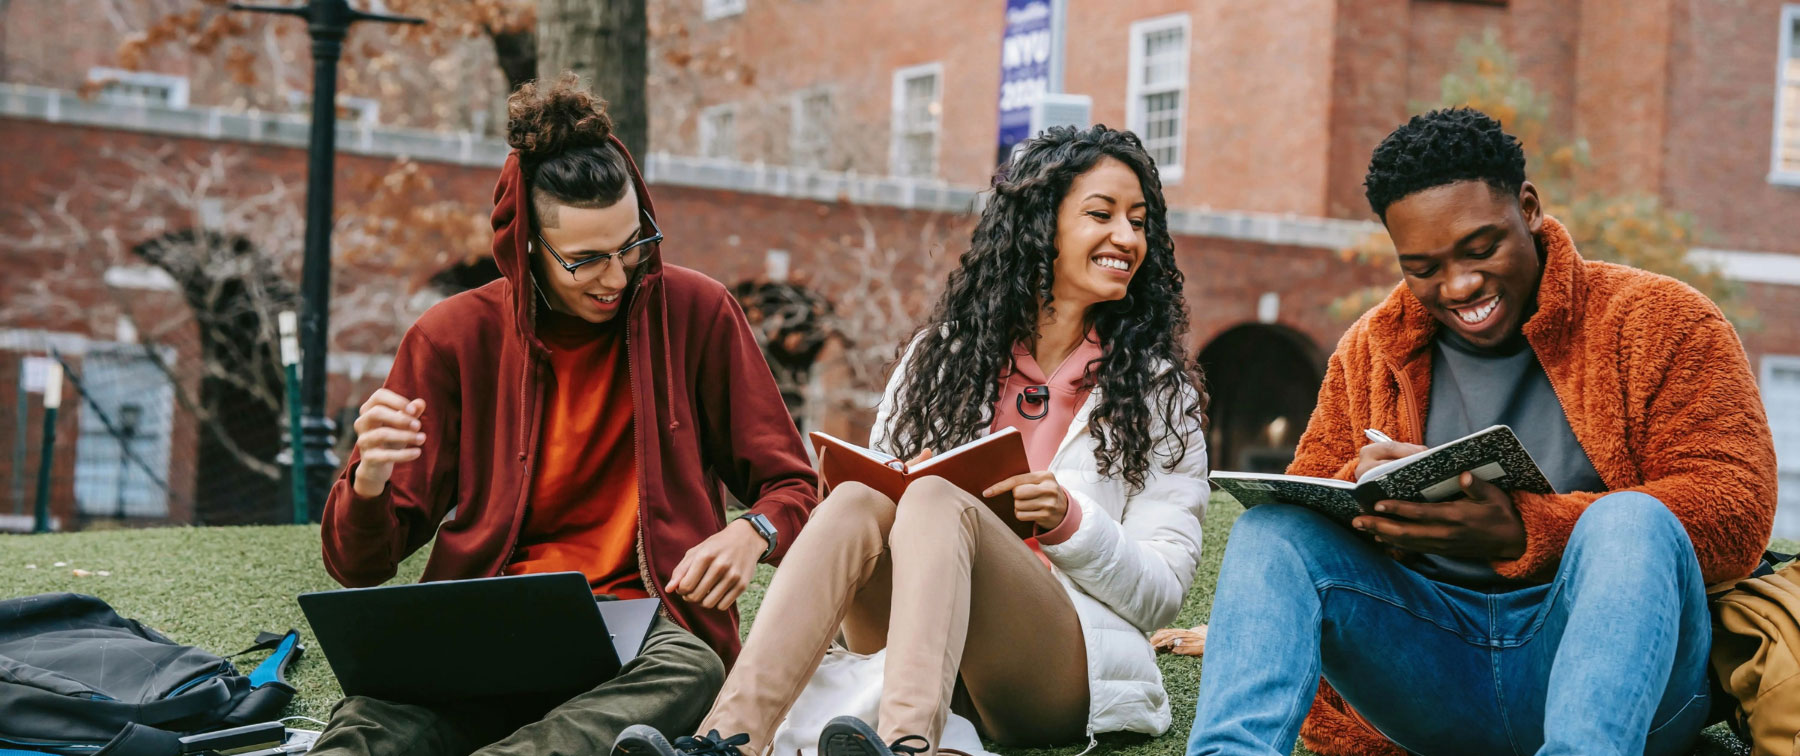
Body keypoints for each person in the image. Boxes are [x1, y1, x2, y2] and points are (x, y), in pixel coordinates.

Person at [1185, 107, 1778, 756]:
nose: (1460, 285)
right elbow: (1315, 511)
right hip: (1437, 672)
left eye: (1480, 248)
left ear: (1528, 207)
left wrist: (1529, 529)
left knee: (1631, 521)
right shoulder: (1371, 350)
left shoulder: (1663, 321)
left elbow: (1736, 508)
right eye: (1424, 267)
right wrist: (1377, 496)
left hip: (1625, 682)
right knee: (1274, 532)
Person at [612, 124, 1211, 756]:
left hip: (1055, 668)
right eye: (1101, 214)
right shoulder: (940, 358)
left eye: (1139, 222)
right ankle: (727, 740)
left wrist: (1070, 521)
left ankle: (908, 743)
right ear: (1040, 225)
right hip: (915, 644)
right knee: (858, 500)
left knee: (937, 500)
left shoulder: (1158, 393)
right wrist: (897, 477)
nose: (1127, 237)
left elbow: (1164, 592)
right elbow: (879, 504)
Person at [310, 74, 820, 756]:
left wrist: (752, 531)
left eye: (632, 244)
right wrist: (368, 481)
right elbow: (358, 566)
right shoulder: (451, 337)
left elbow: (794, 485)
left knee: (694, 669)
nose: (617, 275)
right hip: (486, 620)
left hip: (645, 626)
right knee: (371, 721)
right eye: (585, 261)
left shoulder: (699, 313)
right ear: (526, 246)